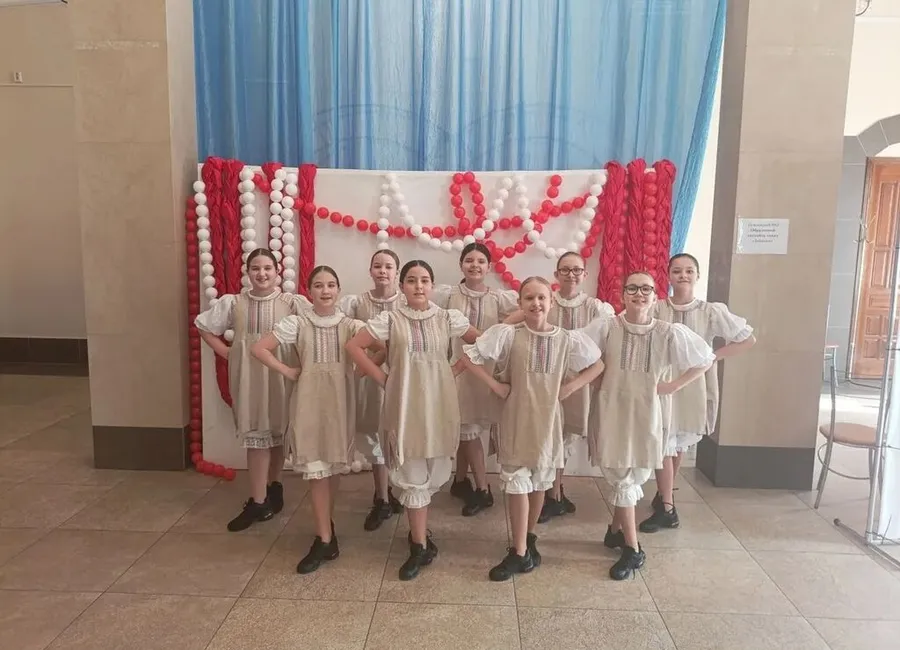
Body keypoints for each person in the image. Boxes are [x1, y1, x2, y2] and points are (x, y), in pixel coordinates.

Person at [462, 276, 605, 581]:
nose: (536, 303)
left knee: (540, 481)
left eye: (541, 298)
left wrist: (571, 387)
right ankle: (518, 551)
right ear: (520, 303)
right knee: (517, 481)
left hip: (548, 420)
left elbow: (598, 365)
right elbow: (470, 356)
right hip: (516, 418)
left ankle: (526, 539)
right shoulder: (508, 334)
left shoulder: (568, 339)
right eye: (529, 298)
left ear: (551, 303)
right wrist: (496, 386)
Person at [346, 260, 478, 580]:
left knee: (432, 464)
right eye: (411, 280)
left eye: (424, 280)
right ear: (402, 286)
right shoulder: (391, 319)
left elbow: (483, 342)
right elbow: (354, 346)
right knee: (411, 467)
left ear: (432, 285)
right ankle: (419, 544)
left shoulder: (447, 317)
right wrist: (384, 379)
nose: (418, 286)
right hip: (404, 404)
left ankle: (420, 536)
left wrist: (456, 369)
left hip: (438, 403)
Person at [581, 271, 714, 580]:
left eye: (646, 289)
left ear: (655, 296)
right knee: (621, 473)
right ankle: (626, 542)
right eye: (632, 288)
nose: (639, 294)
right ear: (622, 294)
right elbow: (575, 352)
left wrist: (673, 385)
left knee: (630, 474)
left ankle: (625, 541)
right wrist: (598, 381)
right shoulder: (607, 326)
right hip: (612, 409)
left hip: (648, 411)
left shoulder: (669, 332)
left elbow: (705, 358)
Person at [252, 265, 369, 573]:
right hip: (307, 405)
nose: (325, 290)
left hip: (339, 405)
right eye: (318, 285)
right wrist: (288, 370)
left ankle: (326, 525)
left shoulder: (352, 326)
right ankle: (324, 539)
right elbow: (259, 348)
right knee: (316, 471)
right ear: (309, 290)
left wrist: (360, 371)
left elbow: (381, 348)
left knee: (332, 468)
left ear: (339, 290)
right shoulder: (297, 323)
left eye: (331, 285)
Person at [639, 253, 756, 533]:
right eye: (677, 270)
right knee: (664, 440)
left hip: (694, 383)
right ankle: (667, 502)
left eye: (689, 270)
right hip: (664, 381)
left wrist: (713, 357)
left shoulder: (710, 311)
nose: (683, 275)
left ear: (697, 275)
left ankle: (666, 500)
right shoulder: (657, 308)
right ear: (668, 275)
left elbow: (747, 339)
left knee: (679, 441)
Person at [195, 248, 308, 532]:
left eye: (267, 268)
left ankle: (275, 485)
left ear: (277, 271)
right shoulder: (235, 303)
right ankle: (258, 501)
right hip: (249, 377)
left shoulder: (290, 303)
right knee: (256, 435)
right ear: (247, 272)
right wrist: (227, 352)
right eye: (256, 268)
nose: (262, 273)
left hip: (280, 373)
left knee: (278, 431)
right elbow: (203, 326)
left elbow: (313, 326)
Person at [431, 243, 518, 516]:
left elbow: (525, 311)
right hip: (456, 368)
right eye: (469, 260)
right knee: (464, 428)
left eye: (481, 261)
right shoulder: (447, 295)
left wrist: (496, 332)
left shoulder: (499, 298)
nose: (475, 265)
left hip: (484, 372)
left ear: (489, 267)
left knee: (470, 430)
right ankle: (461, 481)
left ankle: (483, 490)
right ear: (461, 264)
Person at [542, 252, 615, 521]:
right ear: (556, 274)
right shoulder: (547, 301)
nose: (570, 275)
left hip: (581, 379)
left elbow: (602, 342)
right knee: (548, 434)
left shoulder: (596, 308)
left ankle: (554, 493)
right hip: (547, 376)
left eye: (576, 270)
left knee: (565, 436)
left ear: (585, 274)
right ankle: (551, 493)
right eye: (565, 269)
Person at [339, 250, 404, 531]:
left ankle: (395, 490)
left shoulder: (407, 302)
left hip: (400, 376)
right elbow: (346, 336)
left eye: (388, 266)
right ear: (370, 270)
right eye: (377, 266)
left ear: (397, 272)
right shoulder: (356, 303)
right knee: (376, 433)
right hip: (369, 377)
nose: (383, 271)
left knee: (398, 433)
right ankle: (382, 497)